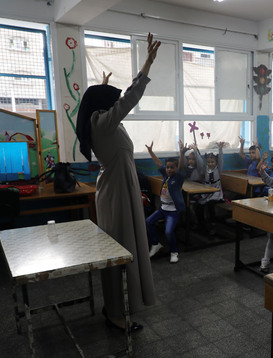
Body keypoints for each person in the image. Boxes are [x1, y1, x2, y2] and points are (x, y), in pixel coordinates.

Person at [75, 33, 161, 331]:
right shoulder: (101, 121)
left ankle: (120, 307)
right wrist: (147, 64)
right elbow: (130, 98)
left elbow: (112, 104)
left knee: (126, 251)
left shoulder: (104, 122)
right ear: (102, 105)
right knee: (118, 254)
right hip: (115, 194)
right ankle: (114, 314)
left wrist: (100, 86)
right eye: (109, 98)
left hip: (120, 191)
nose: (116, 103)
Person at [145, 140, 189, 264]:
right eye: (168, 167)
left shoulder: (178, 177)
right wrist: (151, 152)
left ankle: (174, 252)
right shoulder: (166, 175)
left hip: (173, 211)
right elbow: (159, 163)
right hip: (163, 209)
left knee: (168, 231)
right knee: (149, 222)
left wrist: (181, 154)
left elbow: (180, 167)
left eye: (172, 167)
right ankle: (155, 244)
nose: (169, 169)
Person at [197, 141, 226, 235]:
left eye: (212, 161)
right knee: (199, 205)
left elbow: (221, 159)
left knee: (210, 204)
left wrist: (220, 149)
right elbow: (200, 162)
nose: (210, 164)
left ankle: (213, 225)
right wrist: (195, 150)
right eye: (209, 162)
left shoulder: (218, 168)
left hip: (216, 191)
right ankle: (201, 224)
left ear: (216, 162)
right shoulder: (205, 169)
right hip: (207, 190)